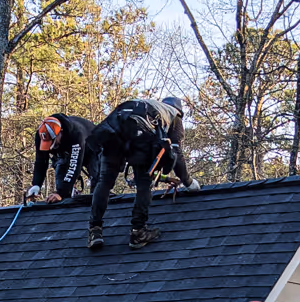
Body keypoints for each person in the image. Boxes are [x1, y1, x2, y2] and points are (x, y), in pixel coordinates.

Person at [85, 95, 197, 251]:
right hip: (139, 132)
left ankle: (94, 231)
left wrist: (164, 177)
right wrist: (188, 182)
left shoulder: (147, 105)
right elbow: (176, 153)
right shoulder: (174, 116)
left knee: (105, 180)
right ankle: (138, 232)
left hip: (112, 128)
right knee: (144, 182)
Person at [24, 113, 95, 200]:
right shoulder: (41, 135)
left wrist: (61, 193)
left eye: (52, 141)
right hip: (65, 152)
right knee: (62, 187)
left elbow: (74, 165)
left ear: (60, 132)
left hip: (93, 148)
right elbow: (41, 161)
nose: (50, 146)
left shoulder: (76, 134)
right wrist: (36, 184)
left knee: (98, 182)